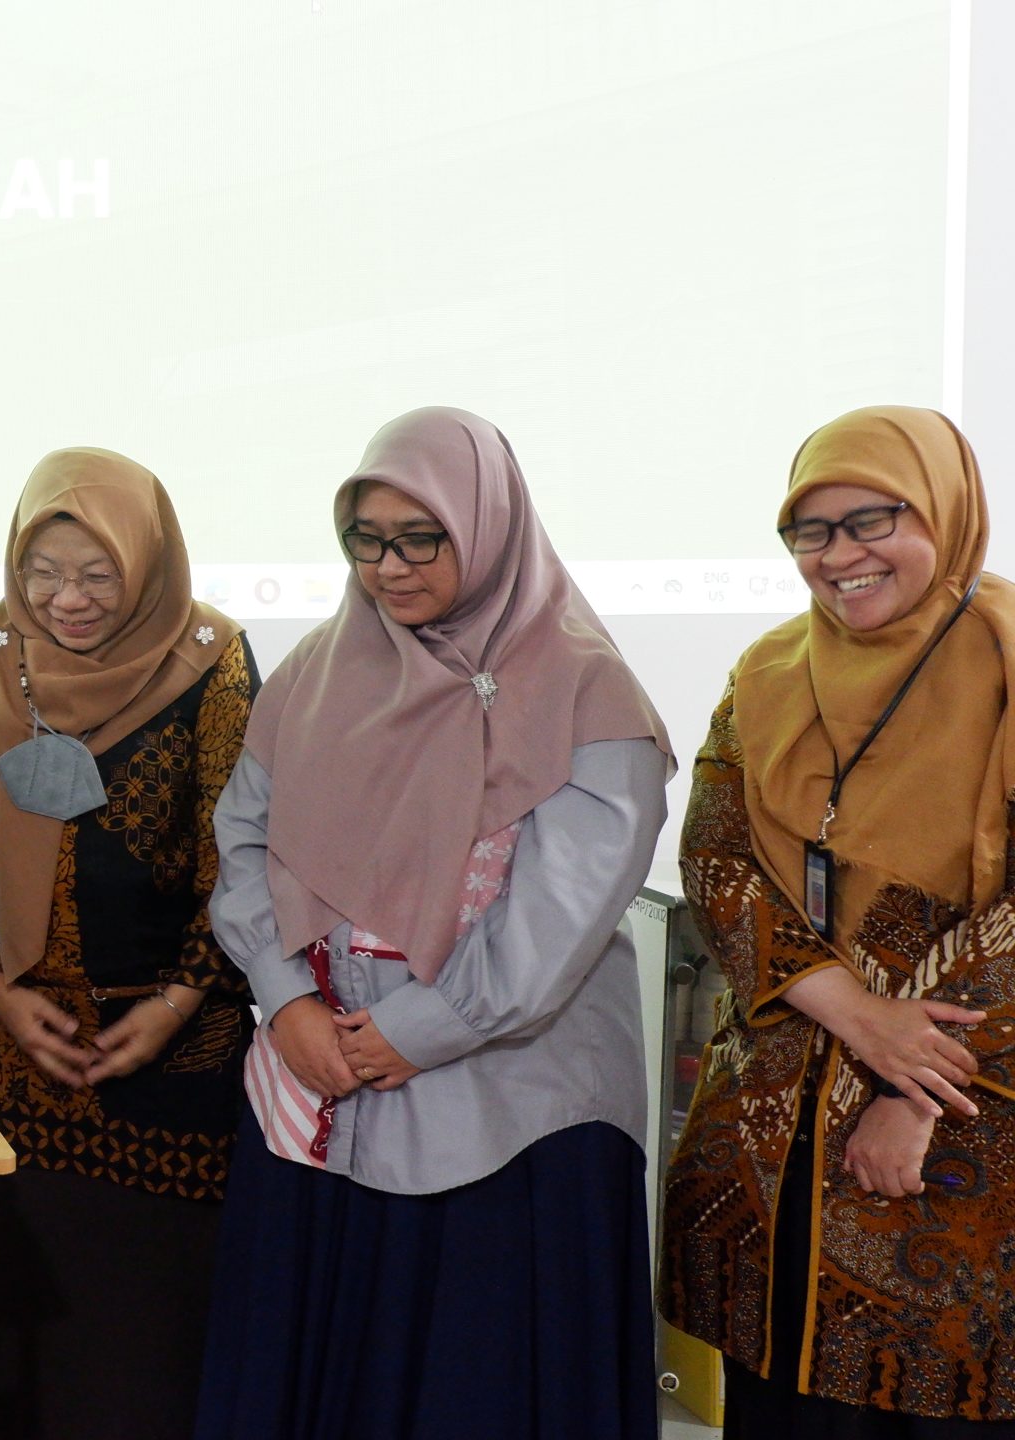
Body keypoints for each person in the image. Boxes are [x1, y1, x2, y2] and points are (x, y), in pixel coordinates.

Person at [195, 407, 673, 1440]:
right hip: (319, 1086)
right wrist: (284, 1001)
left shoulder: (586, 687)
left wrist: (419, 1030)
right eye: (365, 540)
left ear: (488, 527)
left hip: (508, 1116)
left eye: (422, 539)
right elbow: (244, 841)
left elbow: (563, 908)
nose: (389, 568)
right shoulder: (317, 673)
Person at [661, 407, 1015, 1436]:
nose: (839, 554)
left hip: (961, 1142)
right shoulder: (768, 671)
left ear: (944, 511)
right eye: (809, 530)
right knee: (780, 1405)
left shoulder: (1007, 661)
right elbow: (717, 858)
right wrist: (860, 1016)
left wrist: (914, 1090)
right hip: (769, 1141)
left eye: (873, 520)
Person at [0, 448, 256, 1439]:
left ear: (146, 563)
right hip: (8, 1062)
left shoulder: (214, 660)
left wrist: (175, 1005)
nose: (65, 600)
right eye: (43, 573)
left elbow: (241, 859)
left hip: (167, 1065)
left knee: (146, 1354)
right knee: (16, 1345)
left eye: (97, 574)